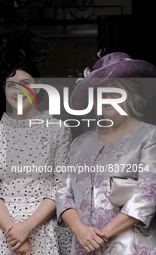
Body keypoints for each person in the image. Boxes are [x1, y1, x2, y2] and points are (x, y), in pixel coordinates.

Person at [0, 26, 72, 255]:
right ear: (3, 88)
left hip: (45, 228)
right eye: (12, 84)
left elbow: (61, 186)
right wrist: (14, 232)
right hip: (2, 233)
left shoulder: (58, 130)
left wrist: (27, 227)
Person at [56, 52, 156, 254]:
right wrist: (81, 232)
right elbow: (62, 193)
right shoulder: (79, 143)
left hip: (130, 247)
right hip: (84, 247)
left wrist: (100, 235)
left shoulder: (149, 136)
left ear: (131, 95)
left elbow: (146, 196)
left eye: (116, 92)